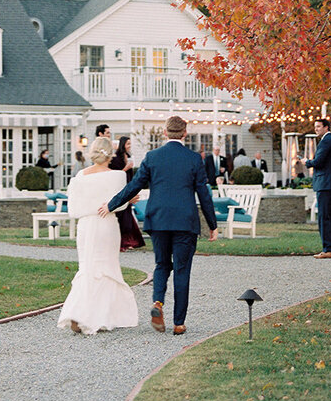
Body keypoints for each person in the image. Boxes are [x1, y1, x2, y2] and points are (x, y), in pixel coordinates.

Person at [100, 115, 218, 336]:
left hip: (159, 220)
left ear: (165, 133)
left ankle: (158, 302)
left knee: (162, 265)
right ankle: (179, 323)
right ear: (185, 133)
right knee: (182, 270)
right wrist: (213, 224)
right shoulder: (194, 159)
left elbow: (134, 185)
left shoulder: (152, 157)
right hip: (185, 222)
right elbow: (204, 193)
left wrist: (111, 204)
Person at [57, 137, 139, 335]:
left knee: (87, 268)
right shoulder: (117, 176)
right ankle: (99, 316)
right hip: (106, 225)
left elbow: (73, 209)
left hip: (85, 225)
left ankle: (79, 312)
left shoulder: (79, 177)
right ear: (110, 154)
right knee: (106, 267)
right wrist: (129, 200)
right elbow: (117, 204)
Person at [304, 118, 331, 259]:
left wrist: (307, 162)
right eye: (315, 127)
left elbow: (318, 162)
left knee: (324, 217)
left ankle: (328, 249)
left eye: (318, 126)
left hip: (326, 184)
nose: (316, 129)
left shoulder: (326, 141)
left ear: (326, 127)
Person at [111, 136, 145, 250]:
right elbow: (114, 175)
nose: (129, 146)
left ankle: (130, 240)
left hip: (128, 186)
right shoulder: (116, 159)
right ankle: (122, 242)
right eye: (128, 144)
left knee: (128, 215)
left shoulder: (129, 156)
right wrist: (126, 167)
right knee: (123, 216)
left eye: (130, 144)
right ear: (123, 145)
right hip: (119, 188)